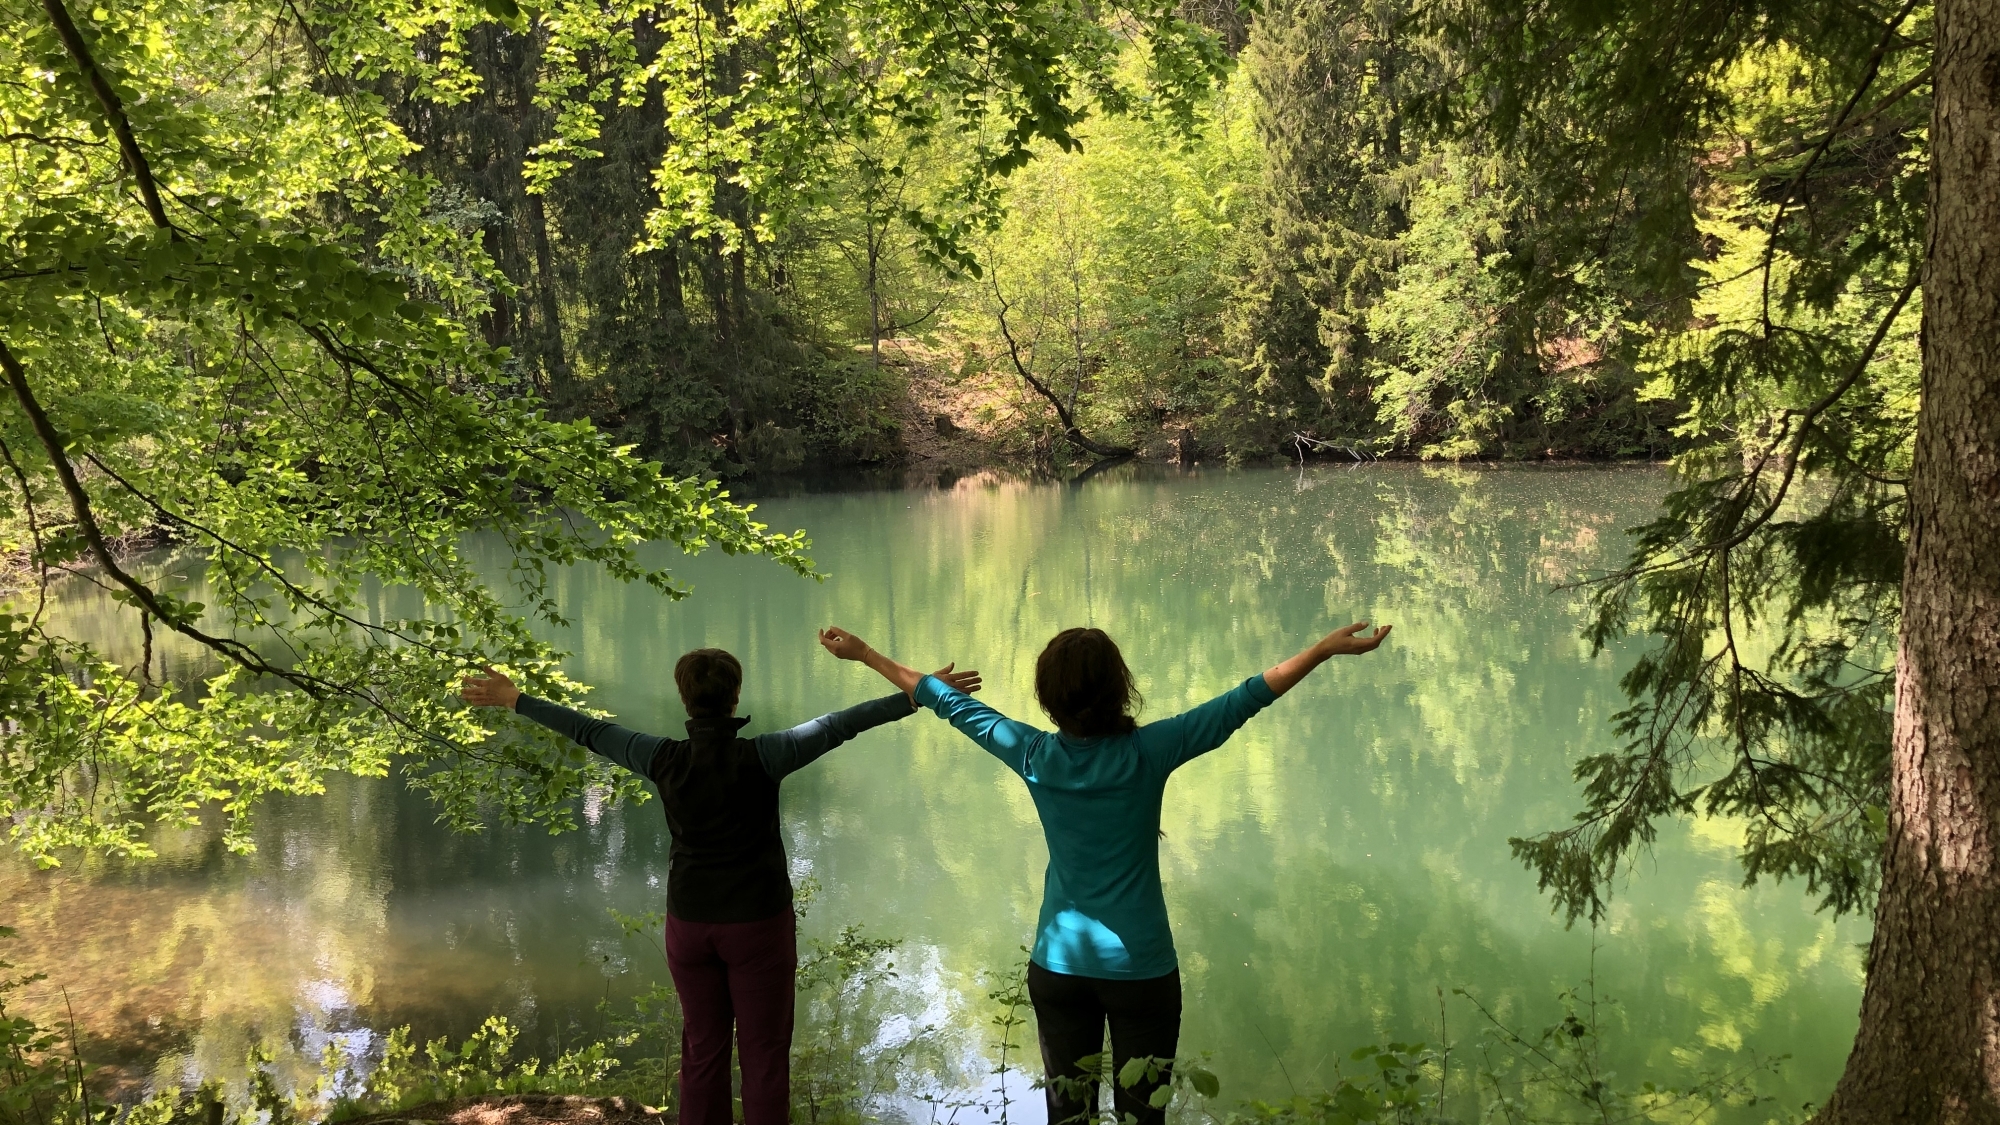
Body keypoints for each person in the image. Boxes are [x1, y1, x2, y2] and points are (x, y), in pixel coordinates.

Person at [816, 620, 1391, 1125]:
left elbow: (944, 700)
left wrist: (867, 654)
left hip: (1058, 969)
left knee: (1069, 1116)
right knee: (1145, 1116)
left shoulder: (1033, 754)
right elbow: (1243, 699)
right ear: (1121, 689)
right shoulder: (1151, 750)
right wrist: (1320, 651)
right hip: (1140, 971)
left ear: (1048, 697)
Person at [459, 647, 981, 1125]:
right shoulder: (765, 755)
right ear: (735, 698)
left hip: (690, 926)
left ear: (684, 697)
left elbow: (589, 730)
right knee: (764, 1053)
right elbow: (840, 725)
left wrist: (514, 699)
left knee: (703, 1048)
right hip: (757, 927)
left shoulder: (661, 757)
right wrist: (924, 693)